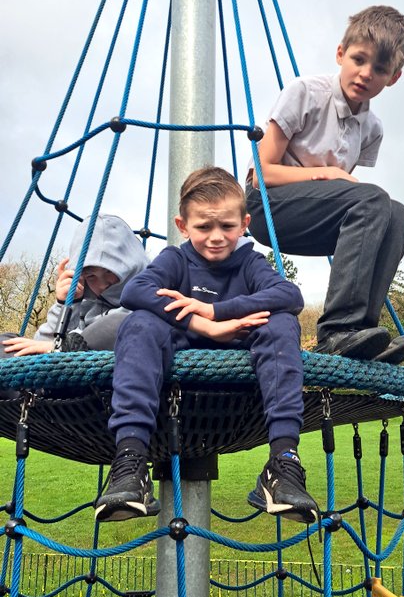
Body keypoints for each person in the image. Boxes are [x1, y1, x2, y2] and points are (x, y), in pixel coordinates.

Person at [95, 167, 320, 532]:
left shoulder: (249, 263)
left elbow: (289, 295)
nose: (216, 237)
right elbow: (136, 291)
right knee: (139, 323)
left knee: (282, 323)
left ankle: (283, 462)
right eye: (203, 227)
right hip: (179, 348)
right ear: (183, 225)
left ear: (245, 223)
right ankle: (130, 462)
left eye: (227, 226)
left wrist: (217, 310)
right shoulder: (176, 259)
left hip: (240, 357)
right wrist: (203, 325)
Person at [246, 5, 404, 363]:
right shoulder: (305, 93)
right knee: (374, 200)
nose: (365, 74)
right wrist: (324, 173)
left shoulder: (372, 129)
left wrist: (336, 184)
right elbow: (258, 174)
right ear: (341, 54)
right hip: (268, 206)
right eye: (358, 59)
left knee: (398, 217)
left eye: (380, 69)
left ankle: (361, 335)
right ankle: (336, 330)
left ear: (394, 77)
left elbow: (346, 201)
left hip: (315, 216)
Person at [0, 215, 149, 357]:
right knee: (6, 343)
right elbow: (41, 345)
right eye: (91, 276)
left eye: (110, 271)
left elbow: (142, 332)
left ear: (130, 266)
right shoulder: (86, 303)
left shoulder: (150, 294)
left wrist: (63, 348)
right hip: (64, 371)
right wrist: (66, 303)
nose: (102, 284)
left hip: (112, 372)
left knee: (116, 323)